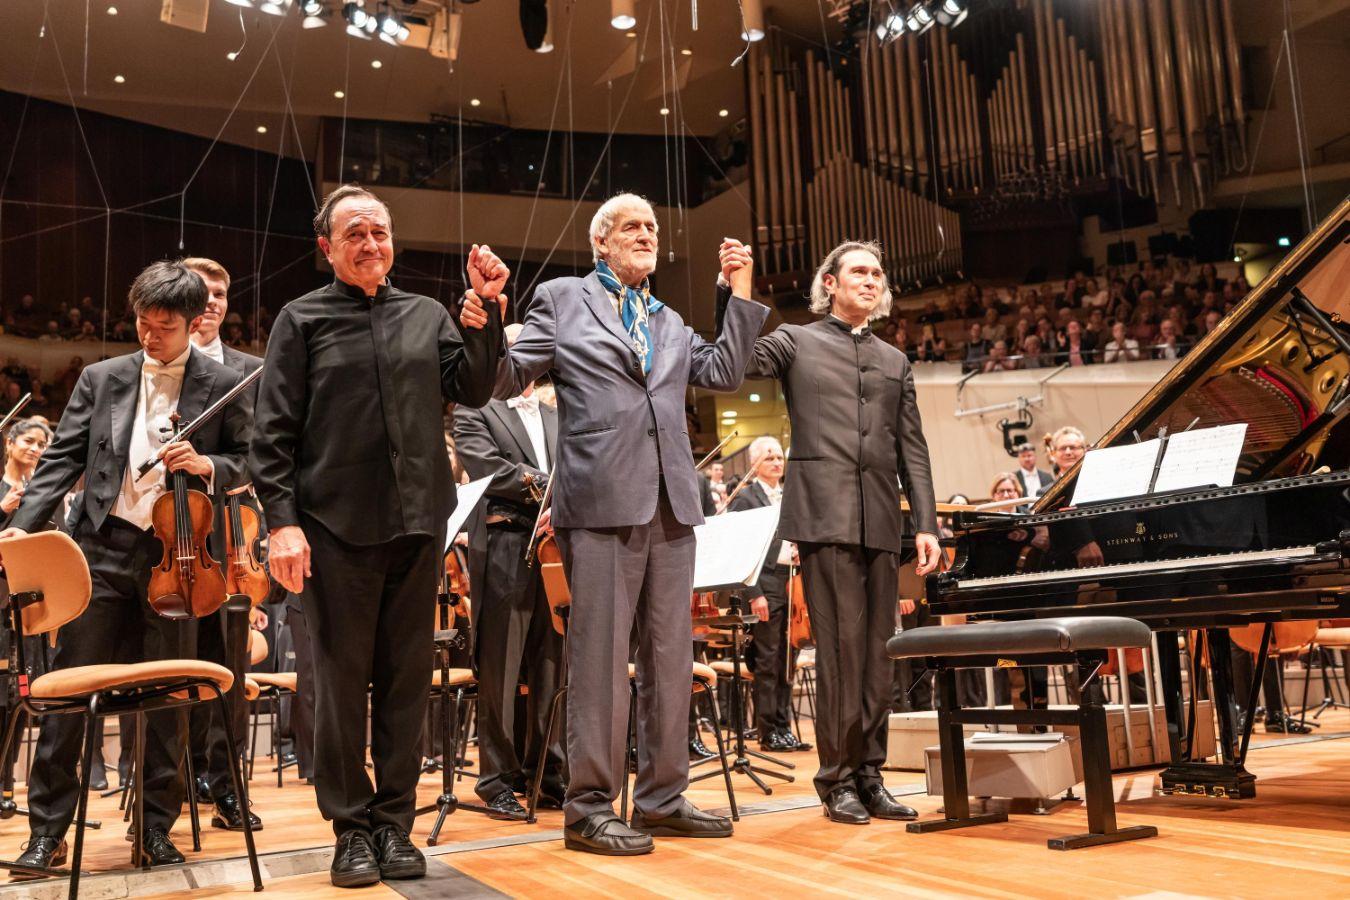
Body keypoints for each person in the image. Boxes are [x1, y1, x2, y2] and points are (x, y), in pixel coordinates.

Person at [469, 191, 769, 855]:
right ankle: (588, 807)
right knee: (600, 661)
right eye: (631, 226)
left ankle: (662, 796)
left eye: (653, 227)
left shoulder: (665, 318)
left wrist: (738, 294)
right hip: (599, 500)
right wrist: (489, 311)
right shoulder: (561, 298)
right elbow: (502, 376)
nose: (646, 235)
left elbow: (723, 369)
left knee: (670, 658)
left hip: (672, 503)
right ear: (599, 241)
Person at [250, 184, 503, 887]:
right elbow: (271, 438)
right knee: (336, 687)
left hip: (418, 524)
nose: (371, 243)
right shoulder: (301, 320)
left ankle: (394, 827)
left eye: (381, 231)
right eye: (354, 232)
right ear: (327, 246)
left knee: (403, 685)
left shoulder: (426, 315)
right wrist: (282, 524)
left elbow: (476, 386)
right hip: (332, 529)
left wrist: (484, 313)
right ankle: (350, 829)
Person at [1, 260, 252, 871]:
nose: (149, 337)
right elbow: (62, 458)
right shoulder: (102, 377)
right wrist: (21, 525)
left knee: (165, 700)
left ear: (194, 325)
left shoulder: (222, 382)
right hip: (101, 550)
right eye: (142, 323)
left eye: (163, 327)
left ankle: (155, 829)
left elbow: (249, 461)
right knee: (67, 695)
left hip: (179, 560)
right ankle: (48, 832)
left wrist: (208, 466)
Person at [729, 239, 940, 825]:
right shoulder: (796, 340)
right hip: (823, 517)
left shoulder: (896, 360)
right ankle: (837, 779)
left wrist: (924, 522)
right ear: (830, 284)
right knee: (840, 654)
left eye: (877, 273)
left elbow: (912, 452)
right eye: (858, 272)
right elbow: (740, 362)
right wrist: (739, 290)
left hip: (879, 520)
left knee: (878, 654)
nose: (870, 281)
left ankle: (870, 775)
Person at [452, 323, 565, 818]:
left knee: (551, 660)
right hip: (503, 544)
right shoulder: (475, 407)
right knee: (500, 665)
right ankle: (496, 777)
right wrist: (553, 490)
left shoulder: (557, 411)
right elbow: (488, 468)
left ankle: (549, 772)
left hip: (555, 550)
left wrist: (562, 497)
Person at [183, 256, 265, 834]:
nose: (212, 302)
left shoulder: (249, 371)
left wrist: (211, 465)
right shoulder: (146, 365)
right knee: (168, 667)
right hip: (164, 539)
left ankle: (228, 787)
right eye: (202, 292)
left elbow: (259, 453)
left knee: (226, 669)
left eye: (221, 292)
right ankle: (170, 780)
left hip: (229, 543)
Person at [727, 436, 810, 753]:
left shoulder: (788, 495)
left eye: (779, 457)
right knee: (768, 660)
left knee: (788, 658)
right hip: (766, 583)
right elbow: (740, 551)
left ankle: (783, 727)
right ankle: (767, 730)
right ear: (754, 464)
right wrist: (755, 593)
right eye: (769, 458)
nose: (777, 462)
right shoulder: (747, 498)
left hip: (792, 581)